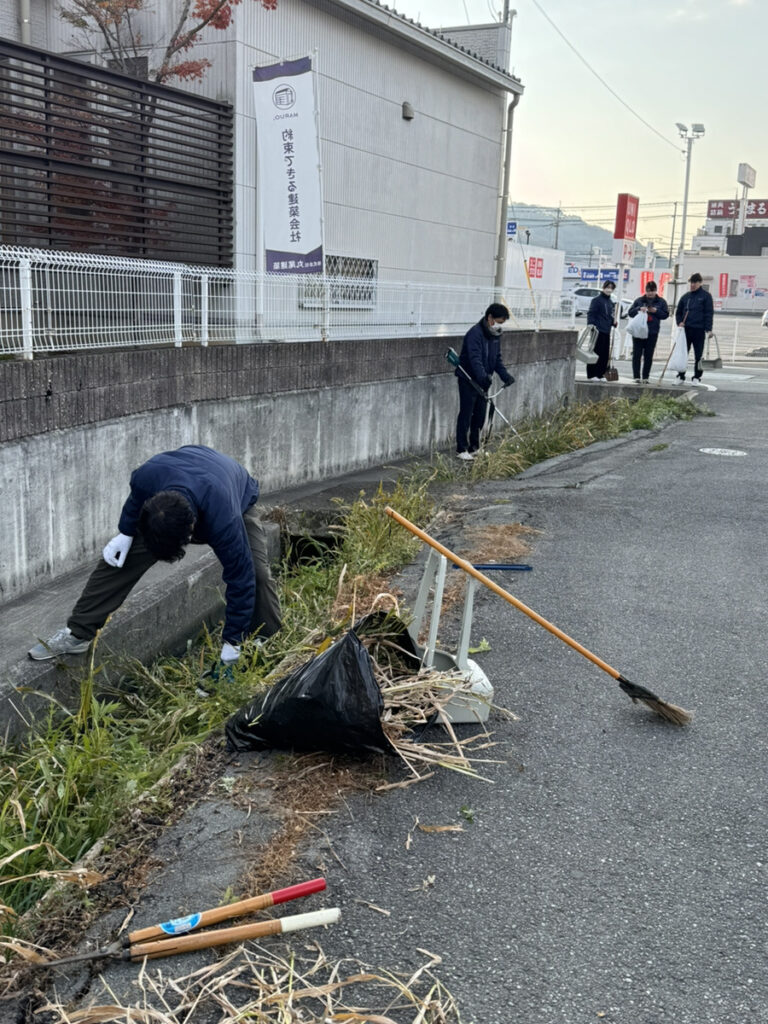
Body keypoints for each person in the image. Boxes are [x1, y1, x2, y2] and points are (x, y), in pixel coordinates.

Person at [28, 446, 282, 677]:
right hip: (183, 477)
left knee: (255, 573)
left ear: (191, 532)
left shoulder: (223, 518)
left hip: (233, 490)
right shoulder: (145, 478)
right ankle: (78, 633)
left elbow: (240, 579)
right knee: (120, 559)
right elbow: (135, 500)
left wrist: (232, 644)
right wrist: (125, 532)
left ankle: (265, 639)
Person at [455, 302, 515, 460]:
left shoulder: (495, 336)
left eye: (502, 323)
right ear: (490, 318)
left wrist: (505, 376)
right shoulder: (474, 334)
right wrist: (483, 376)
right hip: (468, 379)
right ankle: (461, 449)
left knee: (480, 415)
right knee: (466, 413)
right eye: (498, 322)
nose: (499, 326)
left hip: (483, 381)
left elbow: (496, 360)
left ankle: (474, 448)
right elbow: (475, 359)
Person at [674, 272, 714, 385]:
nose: (692, 285)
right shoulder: (686, 297)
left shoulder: (706, 296)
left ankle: (697, 377)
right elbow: (678, 312)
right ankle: (680, 376)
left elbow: (709, 313)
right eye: (691, 282)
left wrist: (709, 329)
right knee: (683, 353)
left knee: (698, 355)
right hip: (685, 330)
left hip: (699, 330)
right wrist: (679, 322)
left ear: (700, 283)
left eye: (695, 282)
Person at [627, 281, 669, 383]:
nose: (650, 293)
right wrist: (639, 309)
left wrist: (656, 311)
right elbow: (630, 313)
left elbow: (665, 315)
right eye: (648, 291)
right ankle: (636, 377)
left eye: (652, 291)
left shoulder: (661, 301)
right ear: (645, 291)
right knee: (636, 354)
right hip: (638, 332)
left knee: (648, 355)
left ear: (656, 291)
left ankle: (645, 377)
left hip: (652, 332)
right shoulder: (639, 300)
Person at [586, 280, 618, 381]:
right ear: (604, 288)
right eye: (608, 287)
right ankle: (592, 374)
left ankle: (600, 374)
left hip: (606, 330)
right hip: (597, 330)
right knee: (595, 352)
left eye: (611, 288)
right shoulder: (596, 300)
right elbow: (591, 313)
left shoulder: (610, 302)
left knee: (604, 354)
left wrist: (613, 322)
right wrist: (591, 324)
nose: (609, 290)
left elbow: (609, 316)